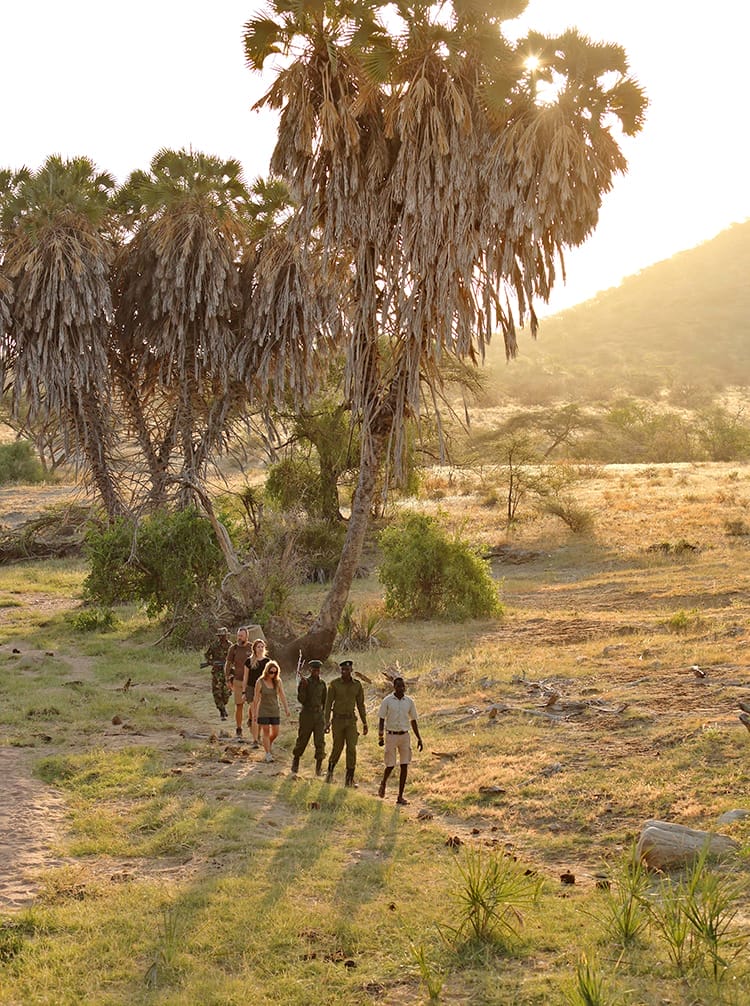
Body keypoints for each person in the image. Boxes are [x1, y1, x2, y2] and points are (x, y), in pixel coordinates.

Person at [377, 676, 423, 805]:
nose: (401, 689)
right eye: (398, 686)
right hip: (391, 735)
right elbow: (381, 718)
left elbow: (413, 720)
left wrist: (419, 738)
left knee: (404, 765)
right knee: (390, 765)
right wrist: (380, 736)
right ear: (394, 687)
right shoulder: (387, 701)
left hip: (404, 735)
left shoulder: (409, 701)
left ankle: (400, 796)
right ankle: (383, 782)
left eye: (403, 686)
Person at [324, 659, 368, 787]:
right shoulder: (334, 684)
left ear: (351, 671)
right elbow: (328, 705)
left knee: (351, 749)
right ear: (340, 671)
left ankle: (349, 779)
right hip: (337, 720)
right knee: (337, 747)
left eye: (347, 670)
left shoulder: (357, 685)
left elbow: (360, 705)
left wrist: (365, 722)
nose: (345, 672)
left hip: (351, 721)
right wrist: (326, 722)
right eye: (342, 670)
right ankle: (330, 773)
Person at [291, 659, 327, 776]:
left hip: (319, 715)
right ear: (310, 670)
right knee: (302, 739)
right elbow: (301, 700)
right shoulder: (305, 682)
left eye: (318, 670)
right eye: (314, 669)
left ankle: (318, 768)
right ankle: (296, 761)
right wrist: (304, 688)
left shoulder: (322, 684)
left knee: (320, 741)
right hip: (307, 714)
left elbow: (325, 702)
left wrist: (326, 719)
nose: (316, 672)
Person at [252, 660, 290, 763]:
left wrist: (286, 708)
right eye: (271, 672)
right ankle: (268, 753)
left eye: (275, 672)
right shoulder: (260, 682)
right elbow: (255, 699)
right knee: (266, 731)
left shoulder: (278, 681)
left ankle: (267, 744)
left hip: (274, 709)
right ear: (266, 671)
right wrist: (254, 713)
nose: (272, 674)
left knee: (276, 732)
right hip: (263, 709)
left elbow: (282, 695)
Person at [224, 627, 253, 738]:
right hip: (238, 680)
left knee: (252, 704)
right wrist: (227, 678)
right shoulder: (234, 648)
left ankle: (250, 719)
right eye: (238, 635)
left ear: (246, 636)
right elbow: (228, 664)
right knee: (239, 705)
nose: (239, 638)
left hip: (250, 682)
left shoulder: (252, 647)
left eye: (241, 635)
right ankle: (239, 728)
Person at [243, 638, 270, 749]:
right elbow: (246, 677)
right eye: (258, 646)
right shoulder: (249, 661)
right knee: (255, 715)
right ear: (254, 648)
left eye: (262, 646)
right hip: (251, 689)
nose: (260, 648)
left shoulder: (267, 661)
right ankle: (254, 740)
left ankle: (258, 736)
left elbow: (270, 677)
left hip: (263, 689)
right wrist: (244, 691)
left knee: (260, 715)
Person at [204, 627, 230, 720]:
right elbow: (207, 655)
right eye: (220, 636)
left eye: (224, 636)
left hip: (227, 672)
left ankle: (223, 706)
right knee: (217, 692)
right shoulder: (214, 645)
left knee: (227, 693)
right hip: (217, 672)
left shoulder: (230, 646)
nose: (222, 637)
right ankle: (222, 711)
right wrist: (211, 662)